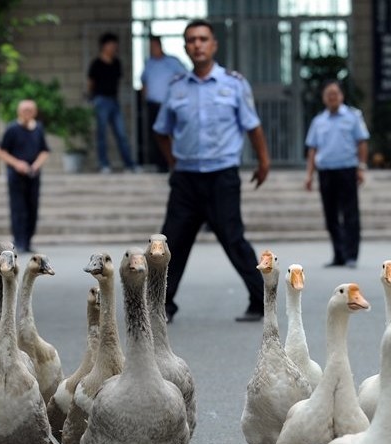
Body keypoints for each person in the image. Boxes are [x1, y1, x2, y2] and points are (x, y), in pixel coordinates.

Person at [153, 19, 270, 324]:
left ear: (214, 44)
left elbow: (252, 126)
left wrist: (263, 161)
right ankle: (162, 305)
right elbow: (161, 131)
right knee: (171, 242)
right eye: (191, 40)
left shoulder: (233, 83)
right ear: (185, 46)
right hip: (186, 180)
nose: (198, 44)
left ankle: (261, 302)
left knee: (234, 239)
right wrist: (173, 162)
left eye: (203, 39)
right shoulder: (176, 87)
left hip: (222, 176)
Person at [303, 80, 370, 269]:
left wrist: (361, 167)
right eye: (328, 94)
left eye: (335, 93)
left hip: (347, 170)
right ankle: (338, 254)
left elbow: (362, 142)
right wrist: (309, 175)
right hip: (326, 172)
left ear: (341, 96)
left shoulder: (353, 116)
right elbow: (312, 150)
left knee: (350, 214)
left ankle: (351, 255)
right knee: (330, 215)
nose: (332, 97)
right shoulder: (318, 121)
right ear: (324, 98)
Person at [0, 99, 49, 253]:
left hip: (33, 175)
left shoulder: (38, 129)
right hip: (16, 176)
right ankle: (20, 241)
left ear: (35, 112)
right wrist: (17, 164)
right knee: (18, 208)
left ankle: (28, 240)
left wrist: (36, 164)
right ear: (19, 112)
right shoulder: (12, 129)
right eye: (24, 110)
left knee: (32, 208)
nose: (27, 113)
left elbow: (44, 151)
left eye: (30, 110)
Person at [87, 32, 140, 174]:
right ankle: (104, 164)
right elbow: (90, 83)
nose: (113, 48)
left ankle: (129, 164)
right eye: (111, 45)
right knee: (102, 134)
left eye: (115, 45)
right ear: (103, 46)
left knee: (121, 134)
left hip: (114, 101)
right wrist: (92, 97)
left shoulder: (117, 62)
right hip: (101, 100)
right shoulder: (96, 64)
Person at [140, 35, 187, 173]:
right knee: (157, 135)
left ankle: (176, 162)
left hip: (170, 105)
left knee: (173, 134)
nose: (151, 49)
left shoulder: (172, 62)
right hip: (153, 105)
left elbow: (184, 78)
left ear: (160, 46)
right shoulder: (149, 63)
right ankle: (161, 165)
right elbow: (144, 82)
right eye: (149, 47)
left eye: (153, 46)